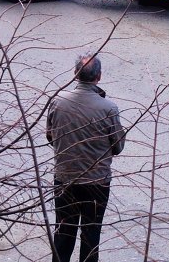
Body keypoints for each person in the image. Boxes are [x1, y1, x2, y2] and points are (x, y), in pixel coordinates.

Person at [46, 54, 125, 262]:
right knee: (91, 235)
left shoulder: (57, 102)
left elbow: (50, 136)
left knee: (63, 233)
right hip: (97, 183)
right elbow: (118, 147)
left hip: (65, 179)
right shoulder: (108, 108)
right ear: (99, 76)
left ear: (75, 74)